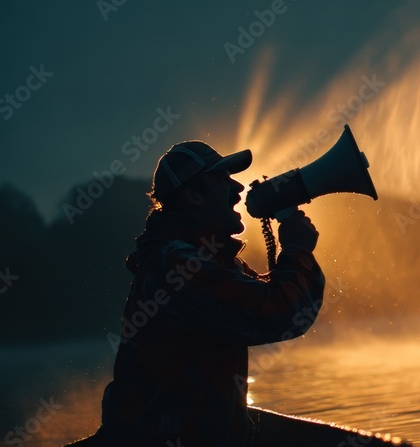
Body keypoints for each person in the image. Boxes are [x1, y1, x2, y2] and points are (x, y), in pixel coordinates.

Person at [70, 141, 325, 446]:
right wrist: (296, 250)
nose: (238, 187)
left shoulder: (202, 258)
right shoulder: (179, 265)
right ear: (193, 195)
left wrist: (294, 253)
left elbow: (275, 300)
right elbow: (276, 314)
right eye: (222, 179)